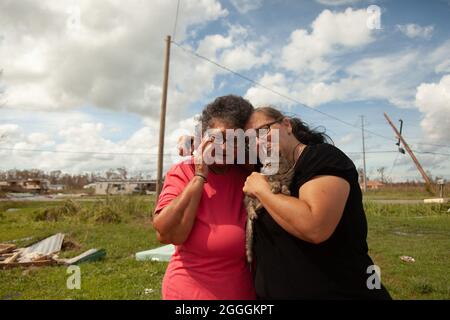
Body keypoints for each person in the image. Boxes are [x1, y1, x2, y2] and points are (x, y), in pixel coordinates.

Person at [242, 106, 392, 299]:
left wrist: (261, 190)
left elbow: (315, 226)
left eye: (263, 131)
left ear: (287, 125)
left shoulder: (322, 157)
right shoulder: (269, 174)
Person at [152, 95, 256, 300]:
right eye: (219, 138)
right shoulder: (183, 171)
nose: (225, 147)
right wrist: (200, 175)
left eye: (235, 140)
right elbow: (166, 233)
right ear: (203, 137)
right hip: (188, 294)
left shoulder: (248, 175)